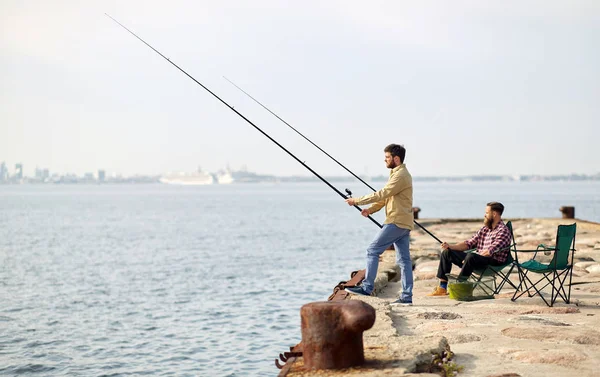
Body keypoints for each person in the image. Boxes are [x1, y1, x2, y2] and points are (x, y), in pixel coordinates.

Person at [344, 144, 414, 306]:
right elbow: (386, 198)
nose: (385, 160)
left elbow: (381, 193)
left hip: (396, 221)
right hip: (403, 222)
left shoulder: (401, 175)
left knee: (372, 250)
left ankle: (367, 287)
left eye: (387, 157)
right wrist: (370, 210)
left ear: (396, 159)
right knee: (404, 260)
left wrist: (357, 200)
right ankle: (406, 296)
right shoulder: (397, 174)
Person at [428, 202, 512, 296]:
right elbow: (468, 243)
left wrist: (470, 258)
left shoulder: (503, 231)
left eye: (487, 213)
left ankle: (460, 286)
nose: (485, 215)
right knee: (447, 253)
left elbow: (490, 251)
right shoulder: (485, 229)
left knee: (471, 256)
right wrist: (450, 246)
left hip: (493, 262)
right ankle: (442, 288)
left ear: (494, 214)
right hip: (477, 259)